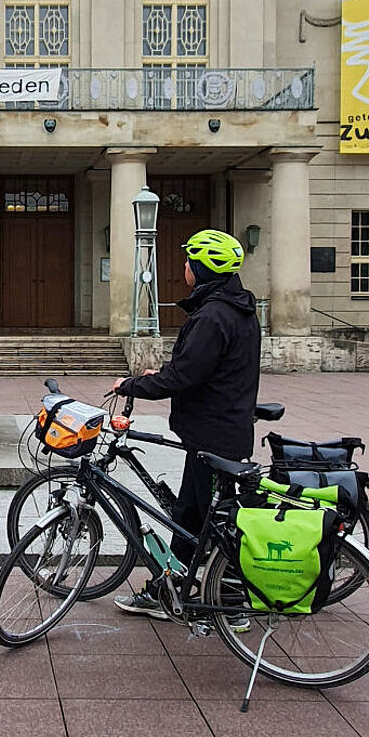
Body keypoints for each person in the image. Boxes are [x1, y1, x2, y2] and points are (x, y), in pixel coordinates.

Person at [111, 228, 261, 618]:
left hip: (214, 436)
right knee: (190, 519)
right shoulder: (237, 309)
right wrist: (165, 370)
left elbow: (184, 378)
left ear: (203, 268)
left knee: (214, 525)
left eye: (189, 261)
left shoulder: (212, 315)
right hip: (218, 432)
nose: (185, 268)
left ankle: (231, 606)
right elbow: (203, 368)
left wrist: (134, 384)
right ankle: (169, 591)